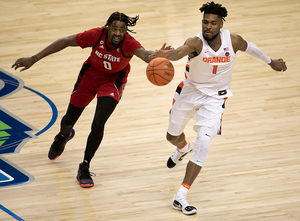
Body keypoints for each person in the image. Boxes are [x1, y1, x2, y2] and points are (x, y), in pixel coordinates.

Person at [153, 1, 287, 215]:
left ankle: (181, 195)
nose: (208, 26)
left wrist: (271, 62)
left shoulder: (233, 41)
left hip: (215, 99)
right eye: (205, 22)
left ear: (221, 23)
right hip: (190, 92)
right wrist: (165, 55)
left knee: (204, 142)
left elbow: (251, 48)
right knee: (171, 136)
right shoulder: (196, 42)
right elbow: (179, 53)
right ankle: (183, 147)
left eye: (213, 23)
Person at [12, 12, 166, 188]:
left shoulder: (128, 43)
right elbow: (64, 41)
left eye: (121, 30)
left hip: (113, 80)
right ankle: (64, 135)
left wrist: (155, 56)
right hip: (90, 75)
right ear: (108, 28)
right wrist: (34, 58)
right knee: (69, 120)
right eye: (114, 29)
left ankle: (84, 166)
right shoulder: (96, 35)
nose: (117, 33)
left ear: (125, 31)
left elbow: (144, 54)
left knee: (98, 123)